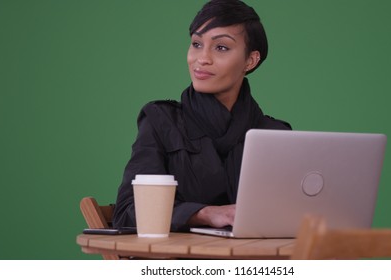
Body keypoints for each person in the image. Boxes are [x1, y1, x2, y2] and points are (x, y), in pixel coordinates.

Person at [113, 0, 291, 232]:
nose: (202, 58)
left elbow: (289, 215)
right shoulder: (161, 121)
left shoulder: (275, 134)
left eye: (221, 47)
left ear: (250, 60)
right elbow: (128, 211)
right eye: (197, 44)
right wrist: (204, 214)